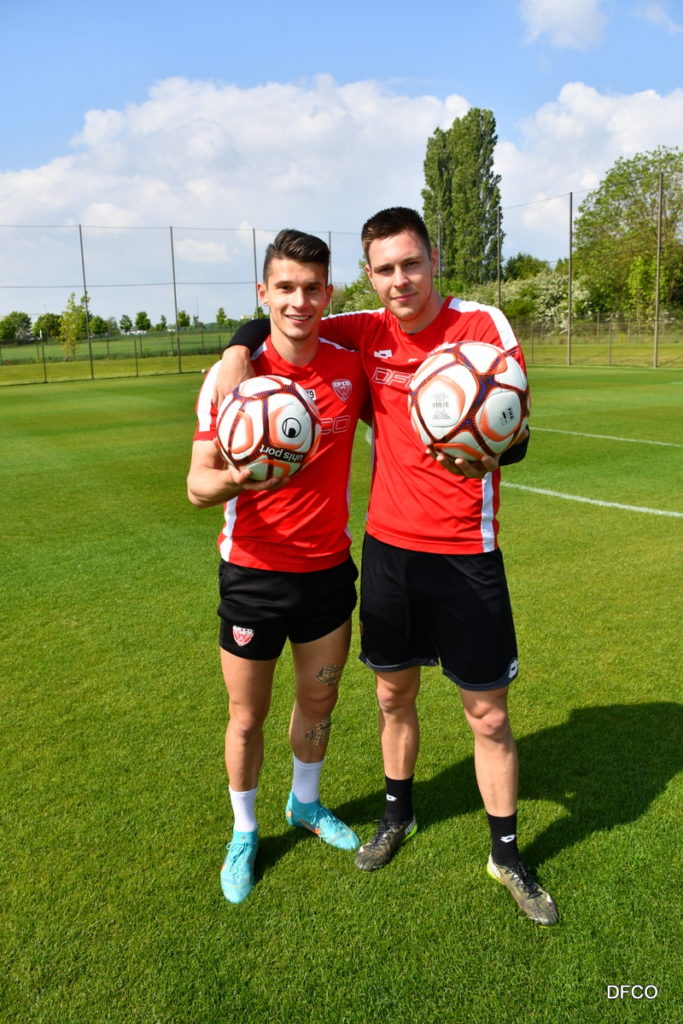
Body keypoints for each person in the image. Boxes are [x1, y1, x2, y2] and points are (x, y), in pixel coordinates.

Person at [215, 208, 558, 925]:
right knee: (391, 697)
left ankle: (505, 854)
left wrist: (489, 440)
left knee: (488, 713)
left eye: (411, 264)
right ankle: (396, 815)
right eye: (385, 269)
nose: (400, 280)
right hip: (389, 552)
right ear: (368, 278)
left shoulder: (482, 325)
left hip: (466, 551)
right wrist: (237, 349)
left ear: (433, 260)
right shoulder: (363, 332)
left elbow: (516, 426)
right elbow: (287, 319)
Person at [187, 229, 368, 904]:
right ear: (262, 293)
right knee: (247, 716)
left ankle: (305, 804)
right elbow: (196, 486)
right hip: (254, 576)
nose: (299, 301)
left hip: (327, 572)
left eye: (311, 288)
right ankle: (244, 830)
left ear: (328, 293)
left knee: (320, 699)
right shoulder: (232, 379)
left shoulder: (349, 369)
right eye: (285, 287)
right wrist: (244, 475)